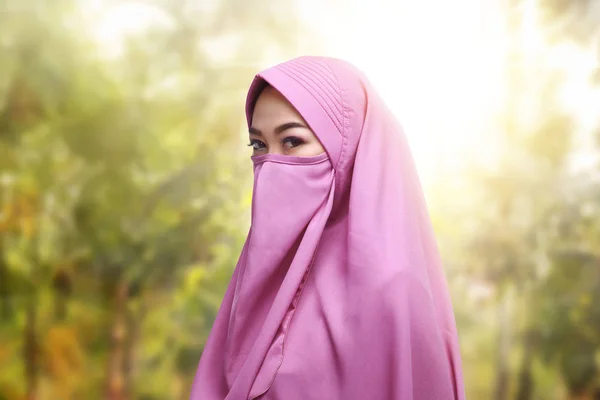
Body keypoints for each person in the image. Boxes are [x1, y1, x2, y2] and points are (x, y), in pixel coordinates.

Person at [190, 56, 466, 400]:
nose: (273, 165)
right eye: (259, 146)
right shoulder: (266, 275)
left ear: (346, 151)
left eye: (292, 141)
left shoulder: (393, 292)